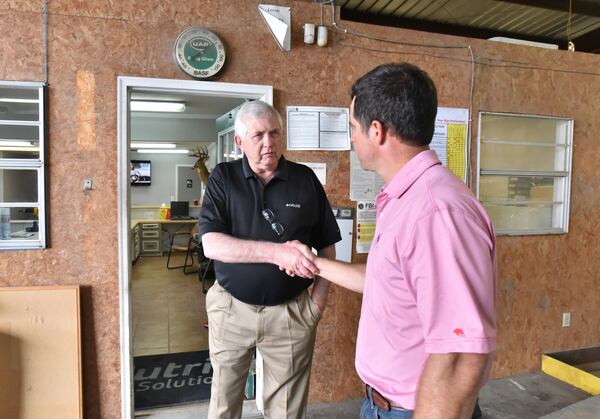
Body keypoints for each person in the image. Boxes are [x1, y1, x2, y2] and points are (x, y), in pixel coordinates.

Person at [288, 63, 496, 419]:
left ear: (376, 131)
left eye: (353, 128)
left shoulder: (435, 212)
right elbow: (384, 282)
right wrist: (315, 262)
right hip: (382, 404)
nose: (352, 139)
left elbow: (461, 354)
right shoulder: (404, 198)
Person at [199, 100, 341, 419]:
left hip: (291, 314)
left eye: (275, 133)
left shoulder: (304, 179)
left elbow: (328, 247)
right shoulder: (223, 178)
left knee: (287, 410)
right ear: (240, 142)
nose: (269, 143)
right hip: (232, 310)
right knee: (223, 403)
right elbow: (212, 244)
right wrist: (279, 252)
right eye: (259, 135)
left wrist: (314, 307)